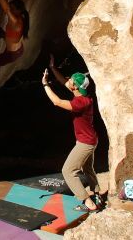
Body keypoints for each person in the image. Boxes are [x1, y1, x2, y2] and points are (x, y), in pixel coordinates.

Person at [42, 54, 102, 212]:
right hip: (90, 139)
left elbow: (57, 102)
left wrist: (45, 85)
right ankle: (97, 195)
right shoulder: (84, 96)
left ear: (75, 86)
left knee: (68, 171)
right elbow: (64, 82)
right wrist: (53, 68)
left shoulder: (80, 103)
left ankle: (88, 202)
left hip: (85, 143)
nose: (67, 81)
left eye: (71, 80)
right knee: (88, 169)